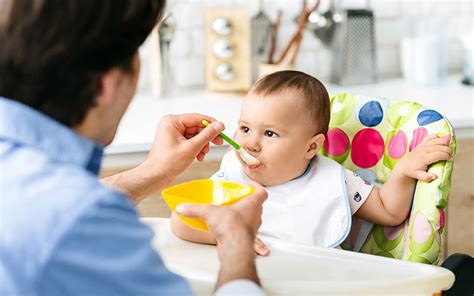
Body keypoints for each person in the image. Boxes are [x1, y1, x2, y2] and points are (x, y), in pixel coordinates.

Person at [0, 0, 268, 295]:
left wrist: (153, 172)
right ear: (106, 85)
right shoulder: (79, 217)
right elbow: (68, 216)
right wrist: (236, 243)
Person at [171, 70, 452, 255]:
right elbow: (181, 222)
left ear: (312, 146)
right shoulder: (233, 175)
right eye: (245, 129)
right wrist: (229, 237)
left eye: (269, 133)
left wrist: (402, 171)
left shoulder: (333, 181)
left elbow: (388, 212)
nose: (250, 143)